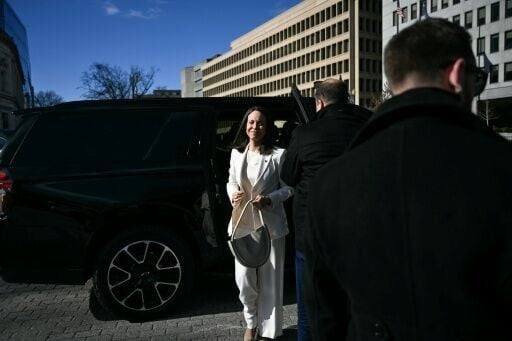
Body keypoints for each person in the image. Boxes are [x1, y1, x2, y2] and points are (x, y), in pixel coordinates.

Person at [304, 18, 512, 341]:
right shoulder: (502, 167)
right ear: (457, 74)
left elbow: (325, 317)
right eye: (477, 78)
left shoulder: (328, 185)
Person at [280, 78, 372, 341]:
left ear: (318, 102)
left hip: (312, 235)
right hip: (360, 233)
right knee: (354, 307)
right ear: (348, 97)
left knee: (310, 311)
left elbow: (288, 175)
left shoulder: (305, 133)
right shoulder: (370, 124)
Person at [226, 106, 294, 341]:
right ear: (245, 125)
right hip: (242, 225)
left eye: (261, 123)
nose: (255, 127)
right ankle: (251, 322)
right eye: (251, 122)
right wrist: (233, 193)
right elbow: (231, 181)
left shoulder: (278, 155)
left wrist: (269, 199)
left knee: (271, 283)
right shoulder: (236, 153)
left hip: (271, 227)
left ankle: (269, 332)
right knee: (244, 280)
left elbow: (288, 189)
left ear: (267, 128)